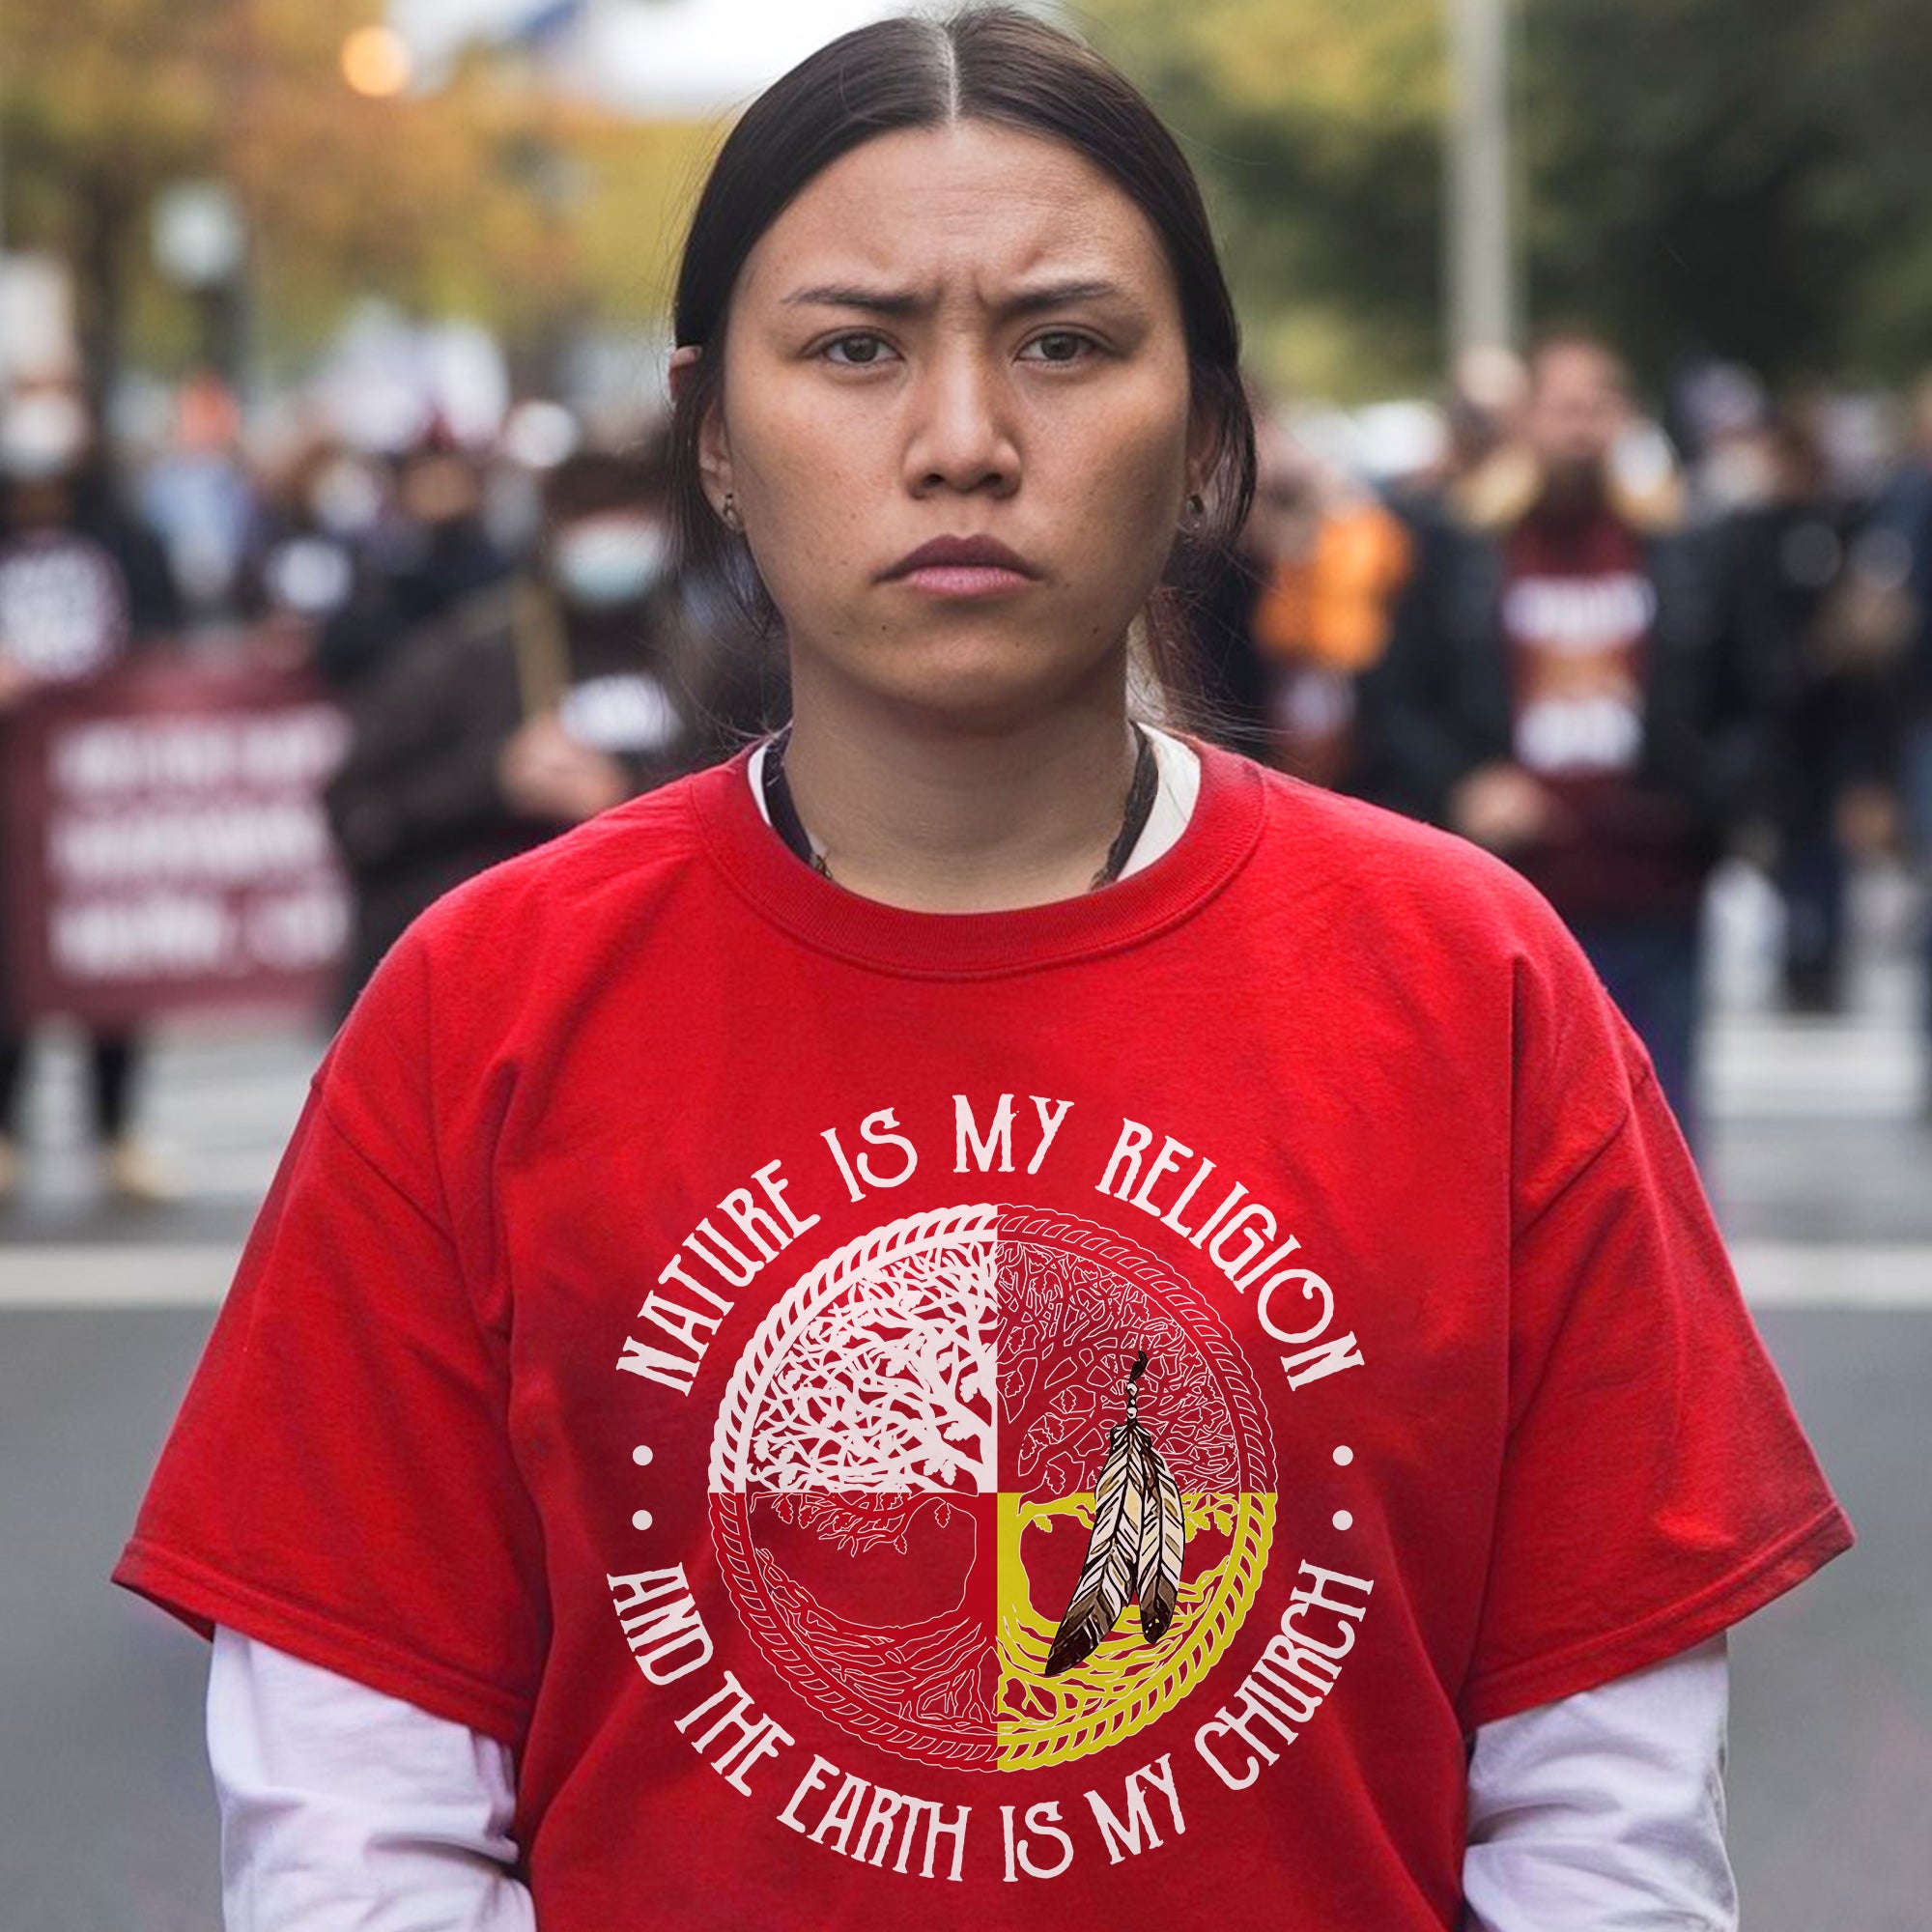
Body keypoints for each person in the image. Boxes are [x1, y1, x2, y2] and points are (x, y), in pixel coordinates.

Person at [114, 13, 1851, 1930]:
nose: (961, 440)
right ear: (710, 430)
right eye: (853, 348)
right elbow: (362, 1831)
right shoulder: (482, 1009)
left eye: (1066, 343)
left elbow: (1603, 1821)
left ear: (1206, 431)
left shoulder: (1473, 984)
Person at [1359, 332, 1769, 1147]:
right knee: (1515, 1144)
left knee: (1660, 1136)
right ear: (1526, 421)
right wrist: (1463, 784)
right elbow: (1392, 699)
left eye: (1598, 405)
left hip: (1656, 891)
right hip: (1512, 900)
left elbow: (1755, 696)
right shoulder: (1460, 549)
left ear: (1625, 418)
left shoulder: (1687, 549)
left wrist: (1704, 800)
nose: (1579, 426)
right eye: (1561, 406)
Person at [320, 436, 763, 1006]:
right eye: (589, 515)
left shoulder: (720, 653)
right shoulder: (464, 656)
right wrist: (495, 780)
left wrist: (628, 796)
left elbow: (776, 799)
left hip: (679, 970)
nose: (610, 534)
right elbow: (360, 813)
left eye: (627, 514)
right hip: (502, 978)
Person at [0, 383, 183, 1205]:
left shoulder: (127, 537)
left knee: (112, 960)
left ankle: (118, 1130)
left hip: (103, 791)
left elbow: (167, 641)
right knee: (12, 953)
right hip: (12, 789)